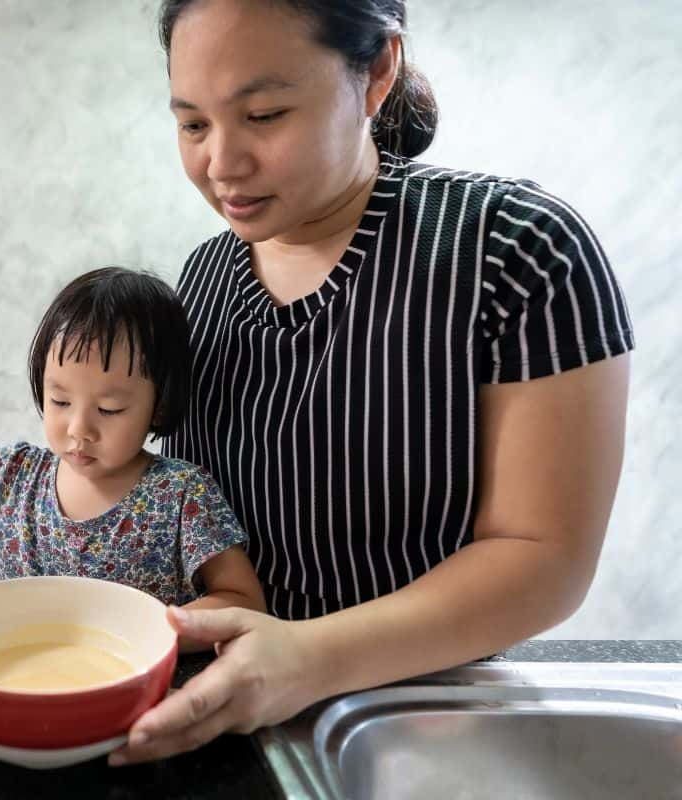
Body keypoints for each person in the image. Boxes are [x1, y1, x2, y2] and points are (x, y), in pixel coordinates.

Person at [108, 0, 633, 765]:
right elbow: (179, 500)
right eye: (192, 125)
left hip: (424, 733)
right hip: (216, 716)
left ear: (377, 70)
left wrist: (309, 657)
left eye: (264, 113)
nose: (221, 163)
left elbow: (541, 556)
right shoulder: (206, 278)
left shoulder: (515, 251)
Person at [0, 267, 267, 650]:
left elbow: (242, 600)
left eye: (109, 410)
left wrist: (153, 631)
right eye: (59, 401)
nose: (79, 429)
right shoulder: (16, 475)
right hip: (21, 682)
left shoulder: (180, 494)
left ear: (160, 404)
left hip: (135, 699)